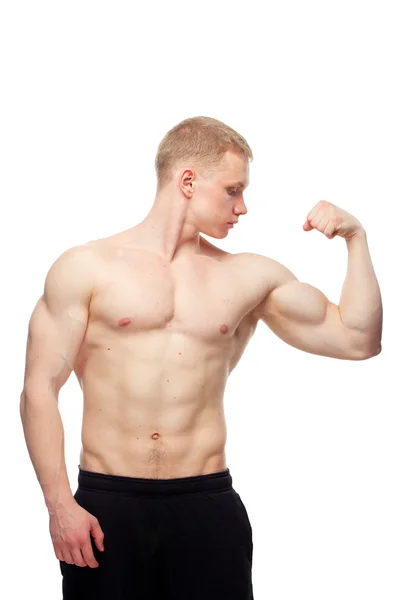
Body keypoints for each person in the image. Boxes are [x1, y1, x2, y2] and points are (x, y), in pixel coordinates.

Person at [19, 116, 383, 599]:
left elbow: (359, 340)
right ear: (188, 181)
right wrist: (59, 504)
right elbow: (39, 389)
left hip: (206, 504)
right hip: (107, 505)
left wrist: (356, 238)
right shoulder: (86, 267)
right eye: (233, 190)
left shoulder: (249, 277)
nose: (243, 207)